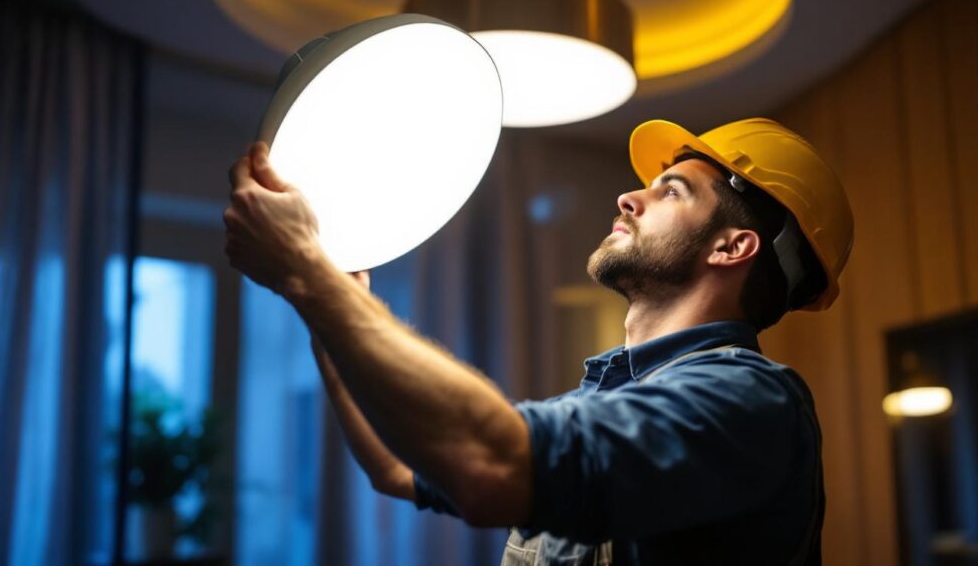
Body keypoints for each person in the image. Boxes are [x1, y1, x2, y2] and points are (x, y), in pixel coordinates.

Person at [223, 117, 854, 565]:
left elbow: (489, 466)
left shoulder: (749, 402)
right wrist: (332, 300)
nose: (629, 196)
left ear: (732, 246)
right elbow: (397, 467)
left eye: (672, 191)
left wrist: (306, 270)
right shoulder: (616, 401)